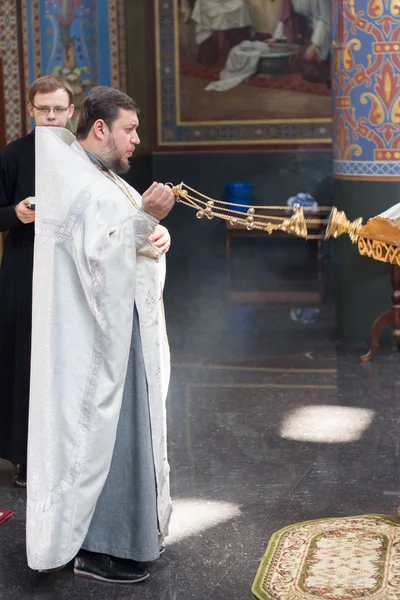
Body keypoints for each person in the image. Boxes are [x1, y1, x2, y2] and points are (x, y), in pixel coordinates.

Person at [26, 86, 175, 585]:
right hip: (96, 338)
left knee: (130, 430)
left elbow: (129, 238)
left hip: (123, 324)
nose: (136, 139)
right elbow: (98, 257)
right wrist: (148, 219)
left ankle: (132, 537)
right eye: (130, 130)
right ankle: (99, 546)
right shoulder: (80, 182)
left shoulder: (105, 176)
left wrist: (157, 233)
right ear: (100, 129)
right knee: (105, 434)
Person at [0, 76, 75, 487]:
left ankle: (65, 451)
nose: (49, 117)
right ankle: (25, 457)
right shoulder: (13, 154)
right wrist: (15, 213)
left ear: (71, 112)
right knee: (25, 361)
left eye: (57, 109)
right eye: (42, 109)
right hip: (22, 270)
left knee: (65, 359)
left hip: (69, 270)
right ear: (30, 110)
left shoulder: (82, 155)